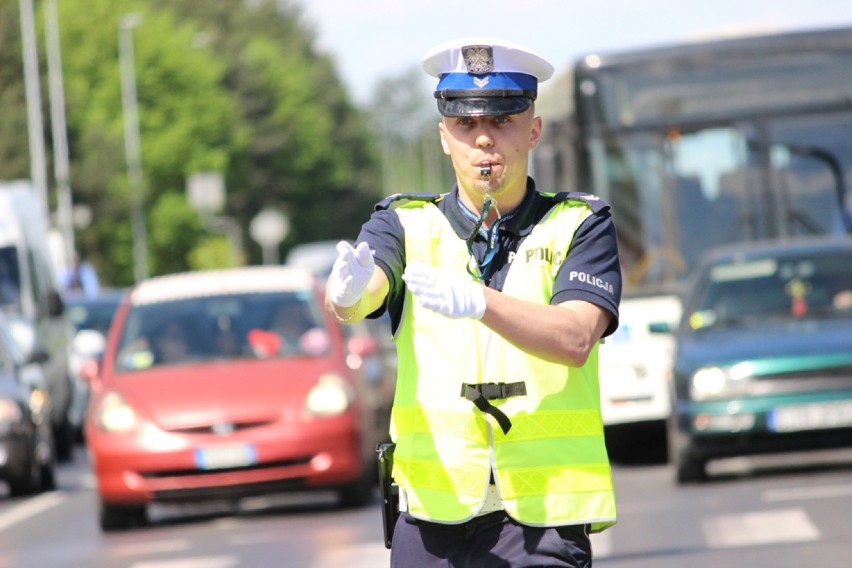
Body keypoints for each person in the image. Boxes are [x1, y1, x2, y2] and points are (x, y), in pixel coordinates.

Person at [325, 38, 621, 567]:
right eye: (465, 125)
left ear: (533, 130)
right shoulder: (405, 222)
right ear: (444, 137)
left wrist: (483, 302)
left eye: (503, 121)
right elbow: (368, 287)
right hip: (433, 517)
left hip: (543, 514)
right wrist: (347, 295)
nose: (484, 138)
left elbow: (576, 338)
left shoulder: (581, 223)